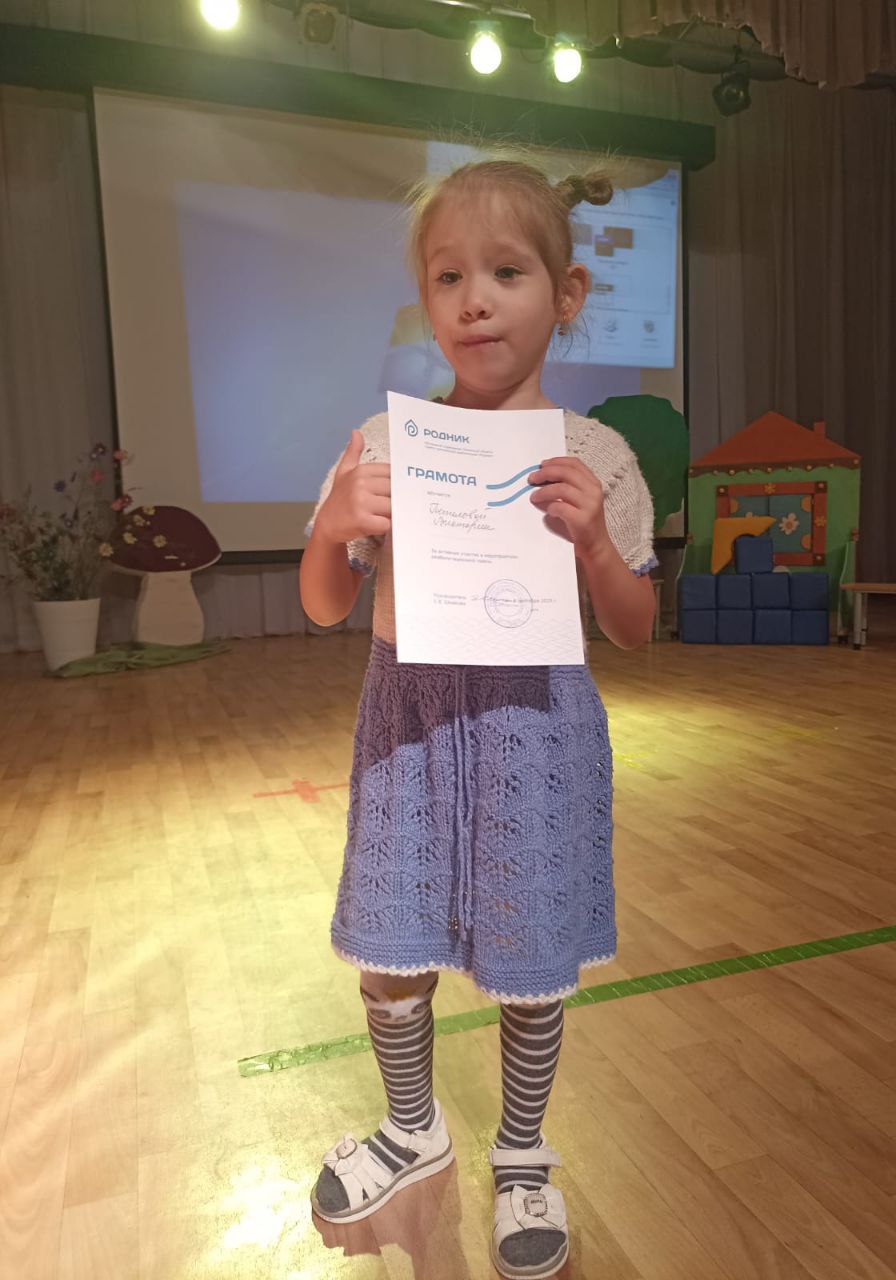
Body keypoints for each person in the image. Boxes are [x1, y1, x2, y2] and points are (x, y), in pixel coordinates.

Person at [299, 157, 657, 1280]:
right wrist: (332, 530)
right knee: (389, 944)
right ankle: (412, 1129)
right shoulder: (382, 443)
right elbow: (324, 603)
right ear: (426, 297)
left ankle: (521, 1151)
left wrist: (595, 547)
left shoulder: (596, 457)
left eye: (506, 271)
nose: (474, 300)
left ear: (566, 293)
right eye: (448, 275)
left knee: (530, 956)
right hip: (406, 735)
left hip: (535, 734)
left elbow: (635, 627)